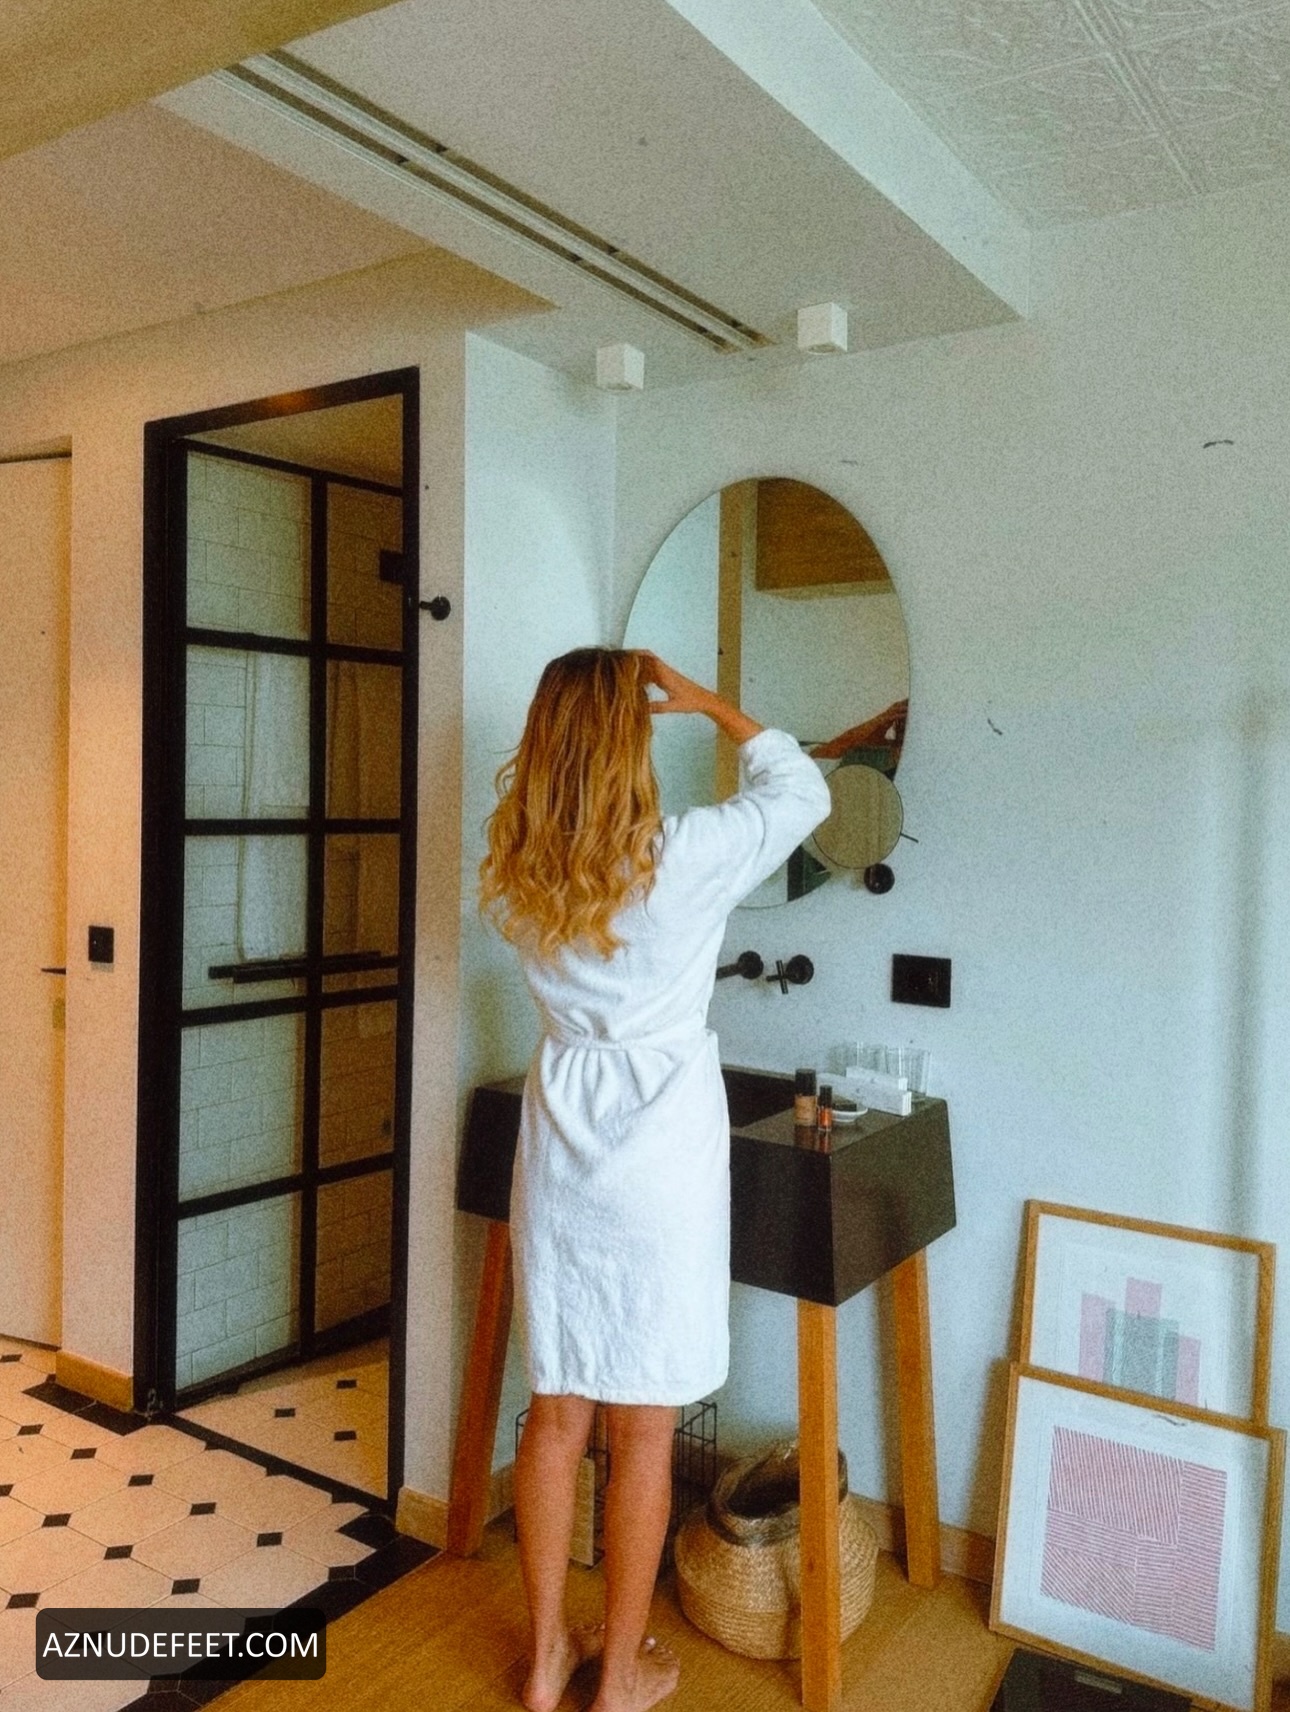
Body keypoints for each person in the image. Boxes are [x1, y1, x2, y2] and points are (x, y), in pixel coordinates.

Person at [479, 648, 830, 1712]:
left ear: (545, 743)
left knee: (554, 1416)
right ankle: (619, 1670)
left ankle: (548, 1655)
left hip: (560, 1148)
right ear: (632, 741)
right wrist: (710, 702)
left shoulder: (522, 866)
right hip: (661, 1160)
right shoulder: (684, 856)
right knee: (642, 1430)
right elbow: (803, 790)